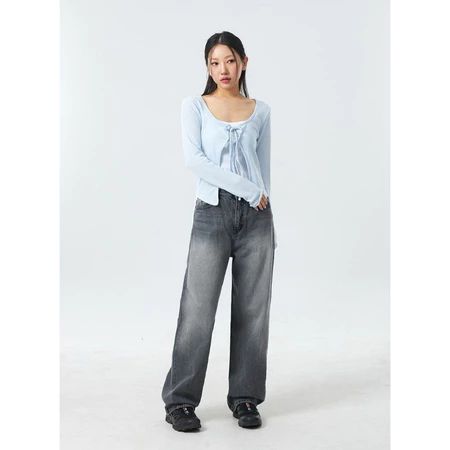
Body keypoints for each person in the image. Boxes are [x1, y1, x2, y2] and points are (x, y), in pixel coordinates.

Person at [161, 30, 277, 432]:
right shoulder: (194, 106)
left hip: (257, 219)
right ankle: (180, 402)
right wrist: (249, 190)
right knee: (197, 310)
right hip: (211, 214)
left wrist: (264, 206)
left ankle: (246, 398)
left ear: (244, 62)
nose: (222, 69)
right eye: (214, 62)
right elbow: (194, 160)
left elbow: (263, 170)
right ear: (207, 67)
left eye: (229, 60)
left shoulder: (260, 110)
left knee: (253, 311)